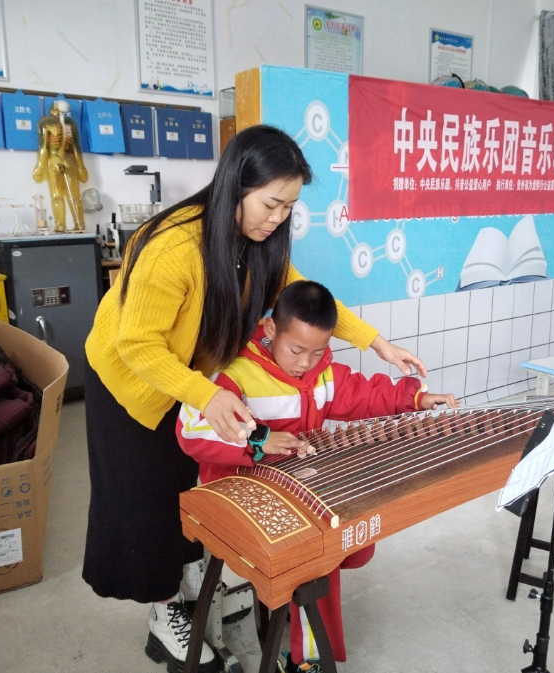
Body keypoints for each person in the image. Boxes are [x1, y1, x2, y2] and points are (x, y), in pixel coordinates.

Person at [83, 125, 427, 673]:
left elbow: (304, 298)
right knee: (148, 500)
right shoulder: (171, 246)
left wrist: (377, 343)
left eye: (288, 208)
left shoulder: (257, 244)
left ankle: (193, 586)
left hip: (190, 379)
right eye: (270, 204)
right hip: (133, 383)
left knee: (193, 485)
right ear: (236, 186)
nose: (277, 219)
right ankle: (164, 612)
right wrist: (205, 396)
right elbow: (137, 346)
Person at [177, 280, 458, 673]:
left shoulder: (322, 373)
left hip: (291, 482)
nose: (305, 363)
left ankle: (297, 605)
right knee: (317, 555)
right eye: (296, 351)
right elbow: (191, 430)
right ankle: (306, 659)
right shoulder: (236, 372)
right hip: (236, 490)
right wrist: (258, 440)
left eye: (317, 351)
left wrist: (414, 398)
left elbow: (363, 393)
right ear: (271, 329)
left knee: (350, 536)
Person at [32, 100, 87, 232]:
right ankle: (61, 225)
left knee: (73, 195)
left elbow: (75, 147)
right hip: (55, 160)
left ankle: (78, 225)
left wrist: (81, 166)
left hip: (67, 161)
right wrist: (40, 165)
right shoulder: (46, 122)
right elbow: (43, 147)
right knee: (58, 195)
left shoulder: (70, 123)